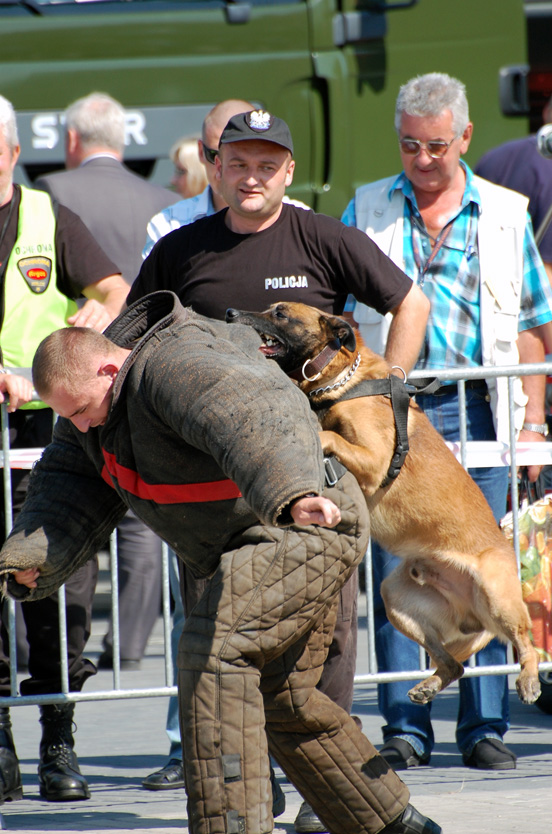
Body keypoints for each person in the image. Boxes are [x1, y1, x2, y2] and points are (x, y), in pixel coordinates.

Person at [3, 290, 441, 834]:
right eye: (69, 416)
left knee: (215, 654)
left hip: (302, 519)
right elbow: (66, 483)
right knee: (288, 700)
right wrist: (28, 558)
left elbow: (256, 411)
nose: (82, 425)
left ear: (110, 369)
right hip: (257, 537)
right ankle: (393, 821)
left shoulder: (180, 363)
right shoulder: (90, 406)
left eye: (81, 410)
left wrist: (292, 492)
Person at [134, 107, 430, 833]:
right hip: (213, 484)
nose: (252, 176)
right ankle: (243, 788)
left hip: (313, 474)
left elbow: (408, 299)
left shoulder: (324, 237)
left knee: (321, 640)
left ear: (288, 173)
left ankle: (321, 799)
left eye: (267, 164)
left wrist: (387, 386)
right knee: (215, 640)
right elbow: (133, 331)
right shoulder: (180, 249)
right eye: (237, 163)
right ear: (216, 170)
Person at [341, 71, 552, 773]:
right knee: (402, 568)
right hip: (390, 415)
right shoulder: (365, 206)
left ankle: (483, 726)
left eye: (435, 146)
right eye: (409, 146)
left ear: (464, 137)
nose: (423, 160)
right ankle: (406, 725)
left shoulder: (505, 212)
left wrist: (532, 425)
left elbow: (532, 328)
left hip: (480, 410)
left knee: (484, 571)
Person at [0, 94, 128, 804]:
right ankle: (0, 745)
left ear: (14, 153)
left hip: (42, 437)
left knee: (54, 585)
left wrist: (100, 311)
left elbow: (114, 286)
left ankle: (57, 739)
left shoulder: (48, 216)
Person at [35, 91, 179, 670]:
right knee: (144, 519)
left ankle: (63, 646)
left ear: (72, 140)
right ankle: (131, 645)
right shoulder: (165, 201)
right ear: (124, 140)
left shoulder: (48, 199)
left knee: (74, 499)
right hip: (142, 374)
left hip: (68, 374)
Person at [475, 94, 552, 287]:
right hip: (532, 303)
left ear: (546, 113)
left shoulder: (494, 157)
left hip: (486, 292)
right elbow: (547, 272)